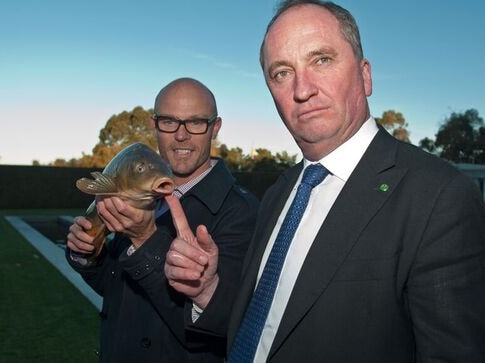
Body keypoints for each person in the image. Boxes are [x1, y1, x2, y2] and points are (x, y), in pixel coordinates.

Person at [164, 1, 485, 362]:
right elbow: (267, 329)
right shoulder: (278, 194)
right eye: (282, 72)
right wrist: (208, 290)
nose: (302, 89)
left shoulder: (438, 197)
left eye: (322, 60)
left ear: (365, 75)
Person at [65, 77, 259, 363]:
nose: (181, 135)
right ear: (154, 124)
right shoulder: (141, 193)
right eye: (169, 121)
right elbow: (118, 291)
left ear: (214, 128)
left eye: (195, 122)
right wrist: (91, 256)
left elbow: (223, 324)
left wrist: (145, 239)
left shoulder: (242, 212)